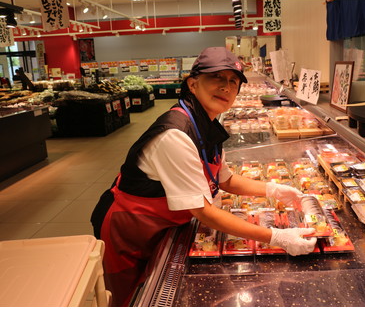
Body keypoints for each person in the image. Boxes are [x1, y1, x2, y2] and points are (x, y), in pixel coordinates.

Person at [91, 47, 317, 307]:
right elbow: (203, 211)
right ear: (193, 84)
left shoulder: (205, 124)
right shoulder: (176, 134)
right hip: (129, 229)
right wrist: (276, 238)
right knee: (129, 298)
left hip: (162, 224)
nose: (226, 87)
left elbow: (225, 180)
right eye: (217, 77)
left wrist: (275, 190)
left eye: (233, 81)